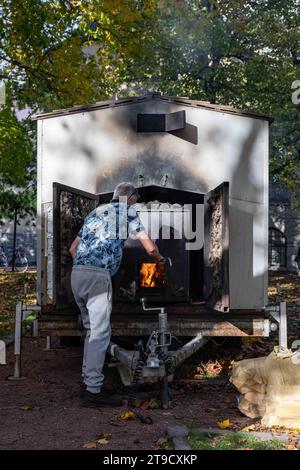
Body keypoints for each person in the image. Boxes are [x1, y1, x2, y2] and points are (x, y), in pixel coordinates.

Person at [69, 182, 164, 407]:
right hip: (97, 278)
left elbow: (73, 249)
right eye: (136, 199)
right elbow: (149, 247)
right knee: (100, 334)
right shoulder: (127, 210)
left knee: (91, 331)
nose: (136, 203)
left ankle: (88, 383)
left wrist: (86, 265)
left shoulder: (96, 211)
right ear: (130, 198)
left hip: (77, 275)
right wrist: (159, 260)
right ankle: (93, 393)